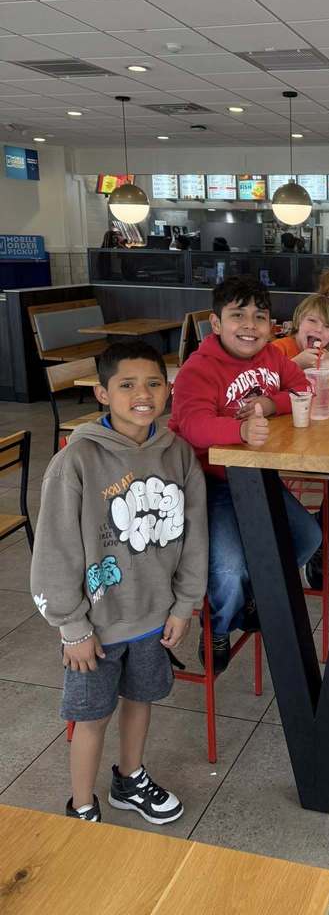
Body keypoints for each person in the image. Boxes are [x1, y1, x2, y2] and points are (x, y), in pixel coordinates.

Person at [30, 341, 208, 824]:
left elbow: (194, 537)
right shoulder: (77, 460)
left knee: (141, 700)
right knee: (91, 718)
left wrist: (184, 604)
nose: (142, 394)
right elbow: (55, 550)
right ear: (102, 393)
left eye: (153, 382)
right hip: (96, 628)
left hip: (155, 617)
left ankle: (129, 778)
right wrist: (72, 626)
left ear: (168, 389)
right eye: (126, 385)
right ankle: (82, 804)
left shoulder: (179, 455)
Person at [169, 276, 322, 673]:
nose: (250, 325)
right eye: (238, 316)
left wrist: (269, 406)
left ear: (272, 324)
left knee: (308, 537)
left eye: (259, 316)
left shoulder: (272, 357)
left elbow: (302, 387)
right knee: (229, 569)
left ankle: (253, 593)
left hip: (256, 477)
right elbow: (193, 426)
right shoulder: (196, 370)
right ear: (216, 323)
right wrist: (239, 430)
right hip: (208, 482)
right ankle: (217, 626)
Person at [272, 294, 329, 570]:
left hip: (310, 436)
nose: (318, 330)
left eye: (327, 327)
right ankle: (325, 538)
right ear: (298, 321)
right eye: (312, 321)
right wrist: (295, 364)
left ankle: (324, 533)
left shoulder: (323, 355)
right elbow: (264, 382)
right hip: (281, 443)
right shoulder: (280, 349)